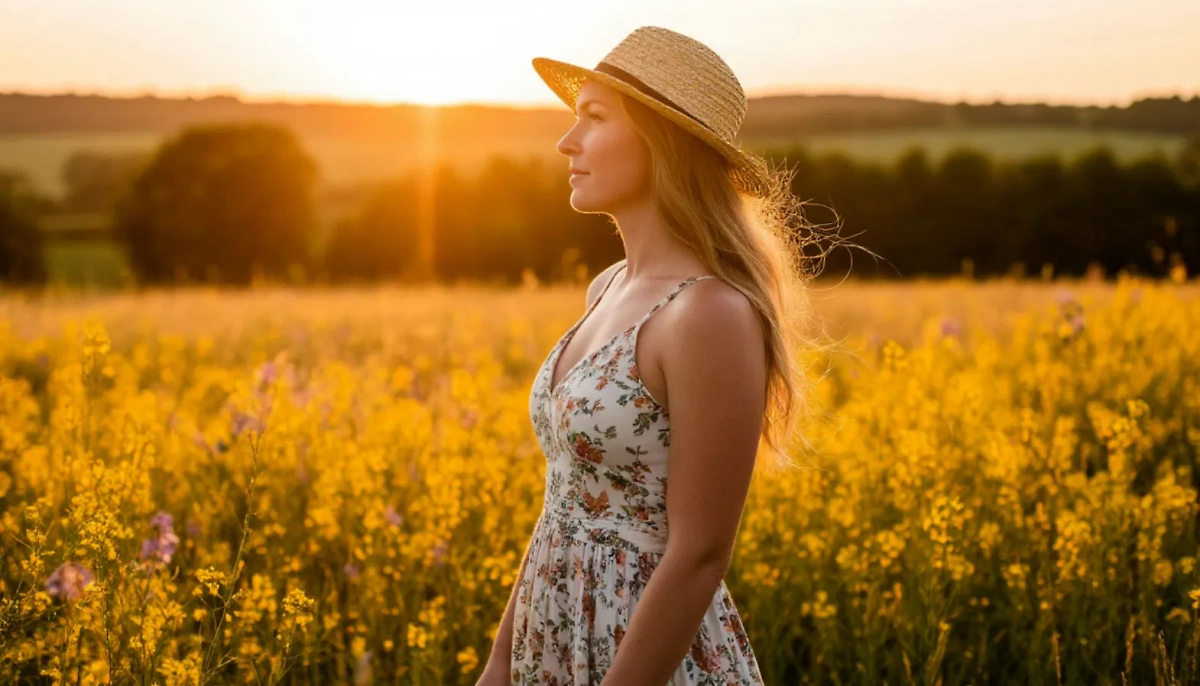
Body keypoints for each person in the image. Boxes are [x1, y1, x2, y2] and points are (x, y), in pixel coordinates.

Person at [477, 25, 827, 686]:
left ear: (662, 143)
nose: (566, 141)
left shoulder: (708, 314)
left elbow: (700, 552)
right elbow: (562, 503)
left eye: (594, 119)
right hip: (552, 643)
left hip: (646, 659)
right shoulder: (607, 287)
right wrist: (500, 665)